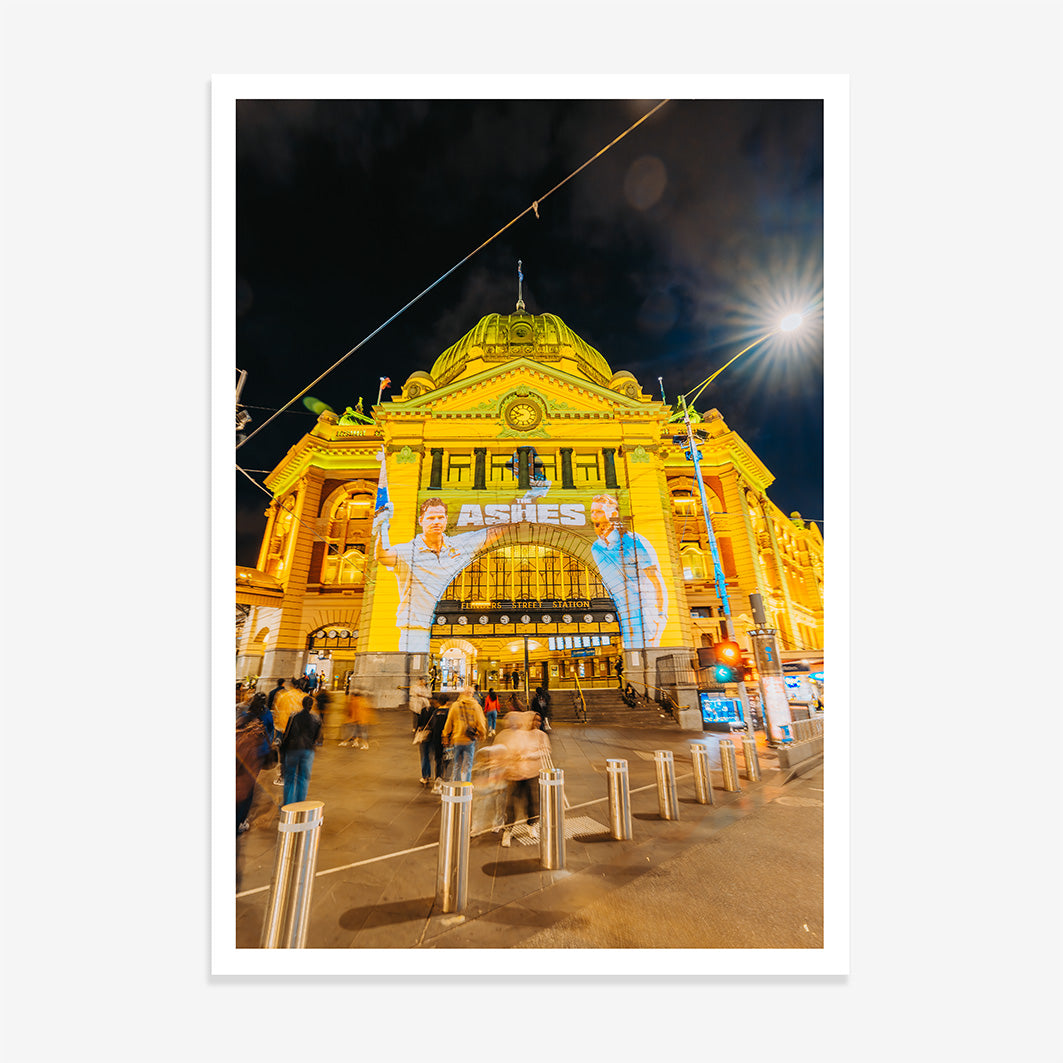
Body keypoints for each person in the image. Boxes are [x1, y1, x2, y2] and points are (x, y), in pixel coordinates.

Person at [374, 497, 505, 653]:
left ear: (446, 520)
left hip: (453, 622)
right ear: (421, 521)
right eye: (431, 518)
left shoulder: (459, 544)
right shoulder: (407, 551)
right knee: (414, 666)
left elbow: (492, 533)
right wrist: (382, 530)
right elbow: (382, 556)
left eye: (440, 517)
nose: (436, 521)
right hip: (416, 629)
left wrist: (523, 507)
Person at [589, 493, 669, 648]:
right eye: (592, 512)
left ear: (613, 514)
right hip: (621, 614)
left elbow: (656, 579)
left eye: (599, 512)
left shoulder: (633, 541)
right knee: (631, 655)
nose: (594, 516)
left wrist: (661, 614)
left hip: (644, 611)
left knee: (647, 653)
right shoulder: (597, 548)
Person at [495, 710, 550, 847]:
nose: (536, 723)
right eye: (534, 720)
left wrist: (528, 756)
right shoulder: (516, 734)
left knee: (532, 802)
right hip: (515, 774)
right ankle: (507, 831)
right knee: (511, 805)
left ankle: (531, 825)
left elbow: (546, 750)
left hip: (531, 774)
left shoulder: (541, 735)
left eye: (539, 720)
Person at [235, 694, 272, 833]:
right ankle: (241, 821)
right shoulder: (265, 717)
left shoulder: (243, 716)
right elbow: (270, 733)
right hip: (254, 759)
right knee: (247, 790)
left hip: (239, 756)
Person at [279, 695, 322, 806]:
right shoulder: (316, 719)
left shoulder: (294, 716)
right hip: (308, 751)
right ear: (311, 706)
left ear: (302, 704)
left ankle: (288, 804)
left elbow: (287, 734)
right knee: (303, 778)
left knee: (290, 778)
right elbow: (316, 737)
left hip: (293, 750)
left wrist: (283, 748)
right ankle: (299, 804)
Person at [442, 689, 487, 784]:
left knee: (457, 765)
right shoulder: (476, 706)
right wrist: (482, 734)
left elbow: (449, 722)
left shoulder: (455, 705)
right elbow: (481, 723)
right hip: (469, 740)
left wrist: (445, 735)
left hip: (457, 739)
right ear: (472, 694)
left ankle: (456, 785)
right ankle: (466, 786)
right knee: (467, 766)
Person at [428, 694, 450, 792]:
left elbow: (432, 725)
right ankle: (445, 779)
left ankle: (438, 778)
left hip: (435, 739)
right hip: (446, 739)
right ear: (447, 702)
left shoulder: (435, 712)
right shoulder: (449, 712)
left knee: (438, 759)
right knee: (447, 759)